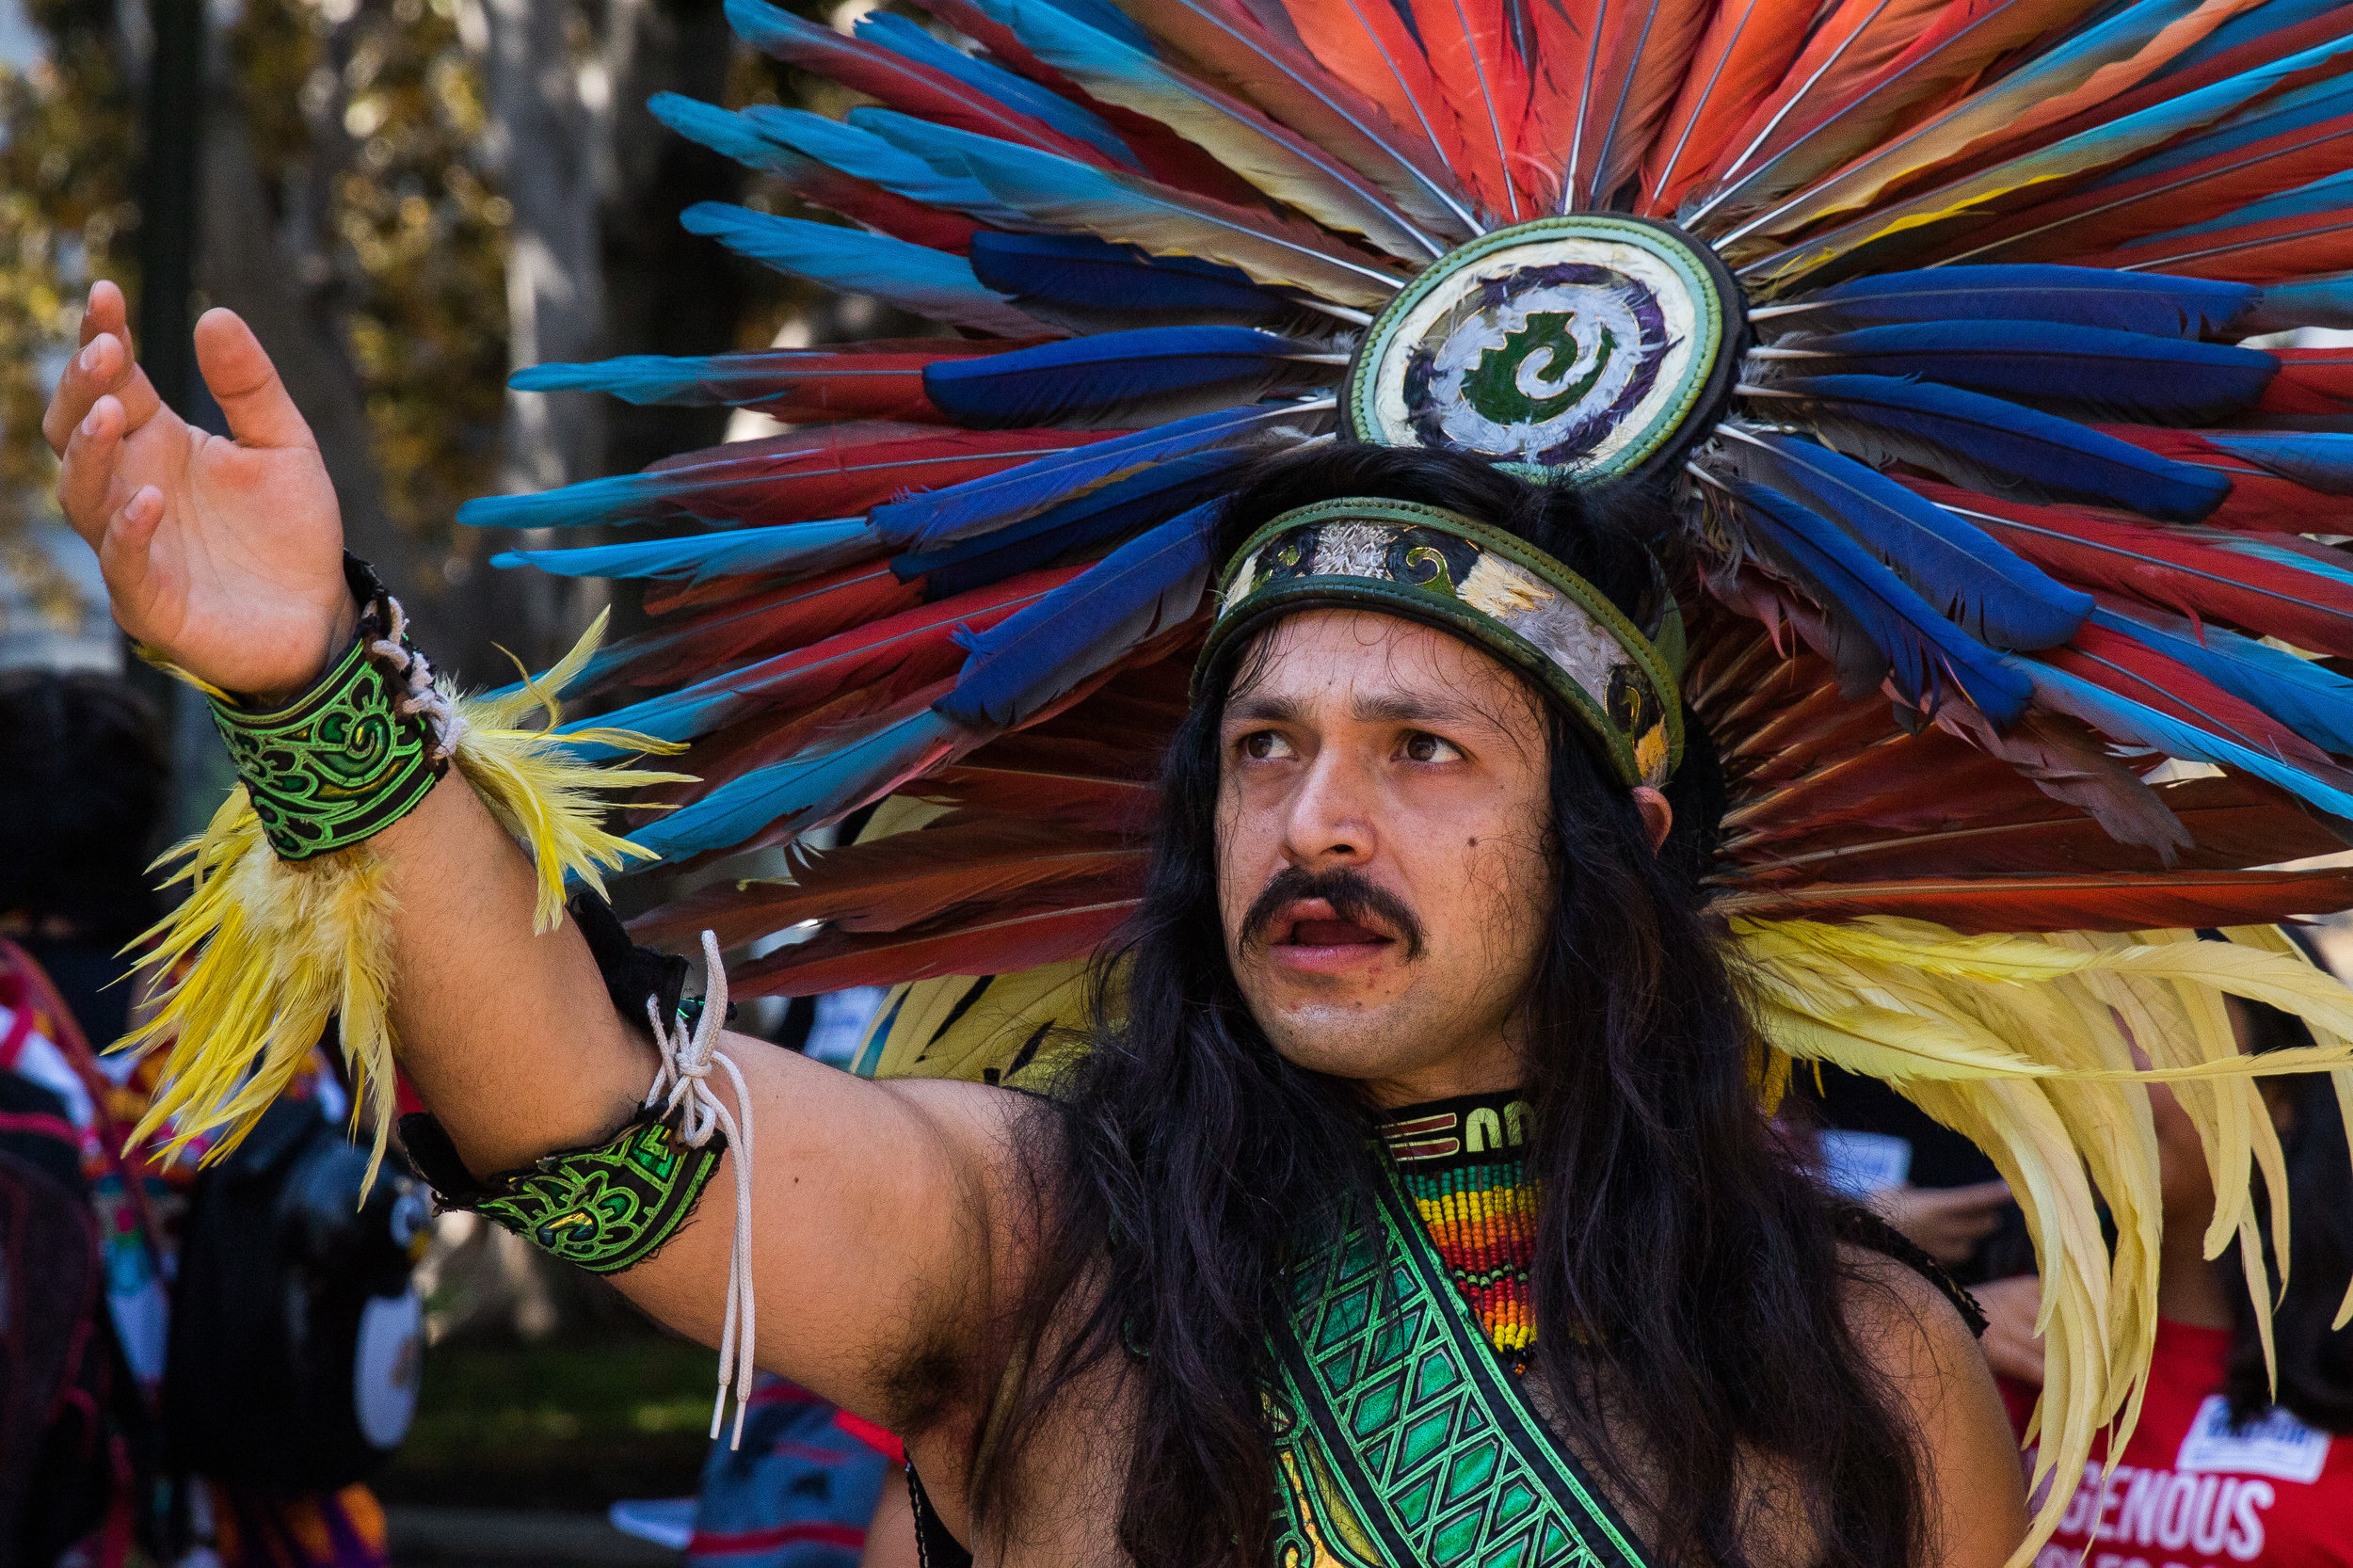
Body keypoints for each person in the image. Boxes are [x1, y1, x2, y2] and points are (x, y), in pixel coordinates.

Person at [1989, 991, 2353, 1568]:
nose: (2113, 1074)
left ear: (2278, 1097)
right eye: (2083, 1038)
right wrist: (1941, 1328)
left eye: (2162, 1039)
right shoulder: (1986, 1328)